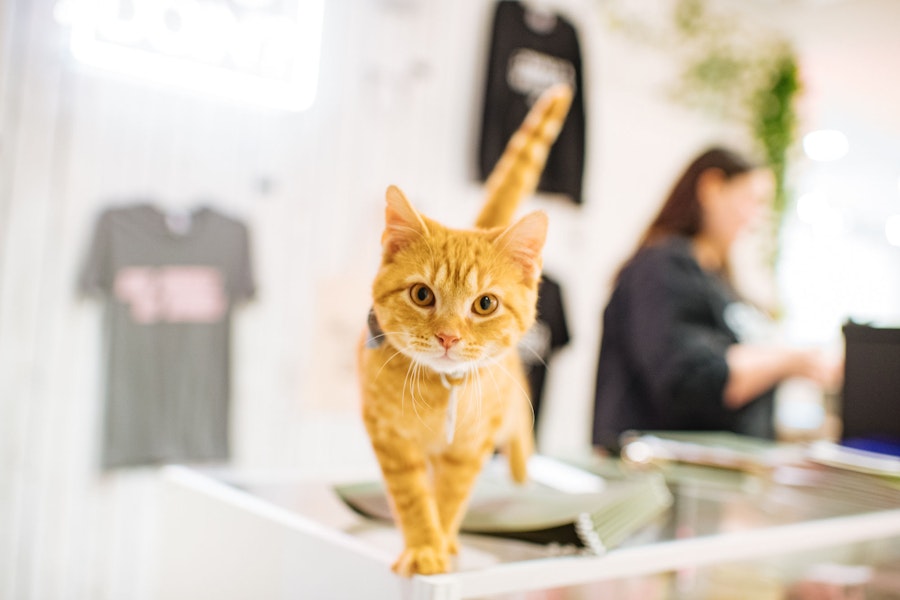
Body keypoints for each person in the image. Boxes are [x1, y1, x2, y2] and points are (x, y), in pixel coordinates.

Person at [592, 147, 841, 452]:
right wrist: (790, 360)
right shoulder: (663, 266)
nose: (757, 218)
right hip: (662, 475)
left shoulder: (723, 283)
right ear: (712, 188)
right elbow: (692, 382)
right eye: (753, 201)